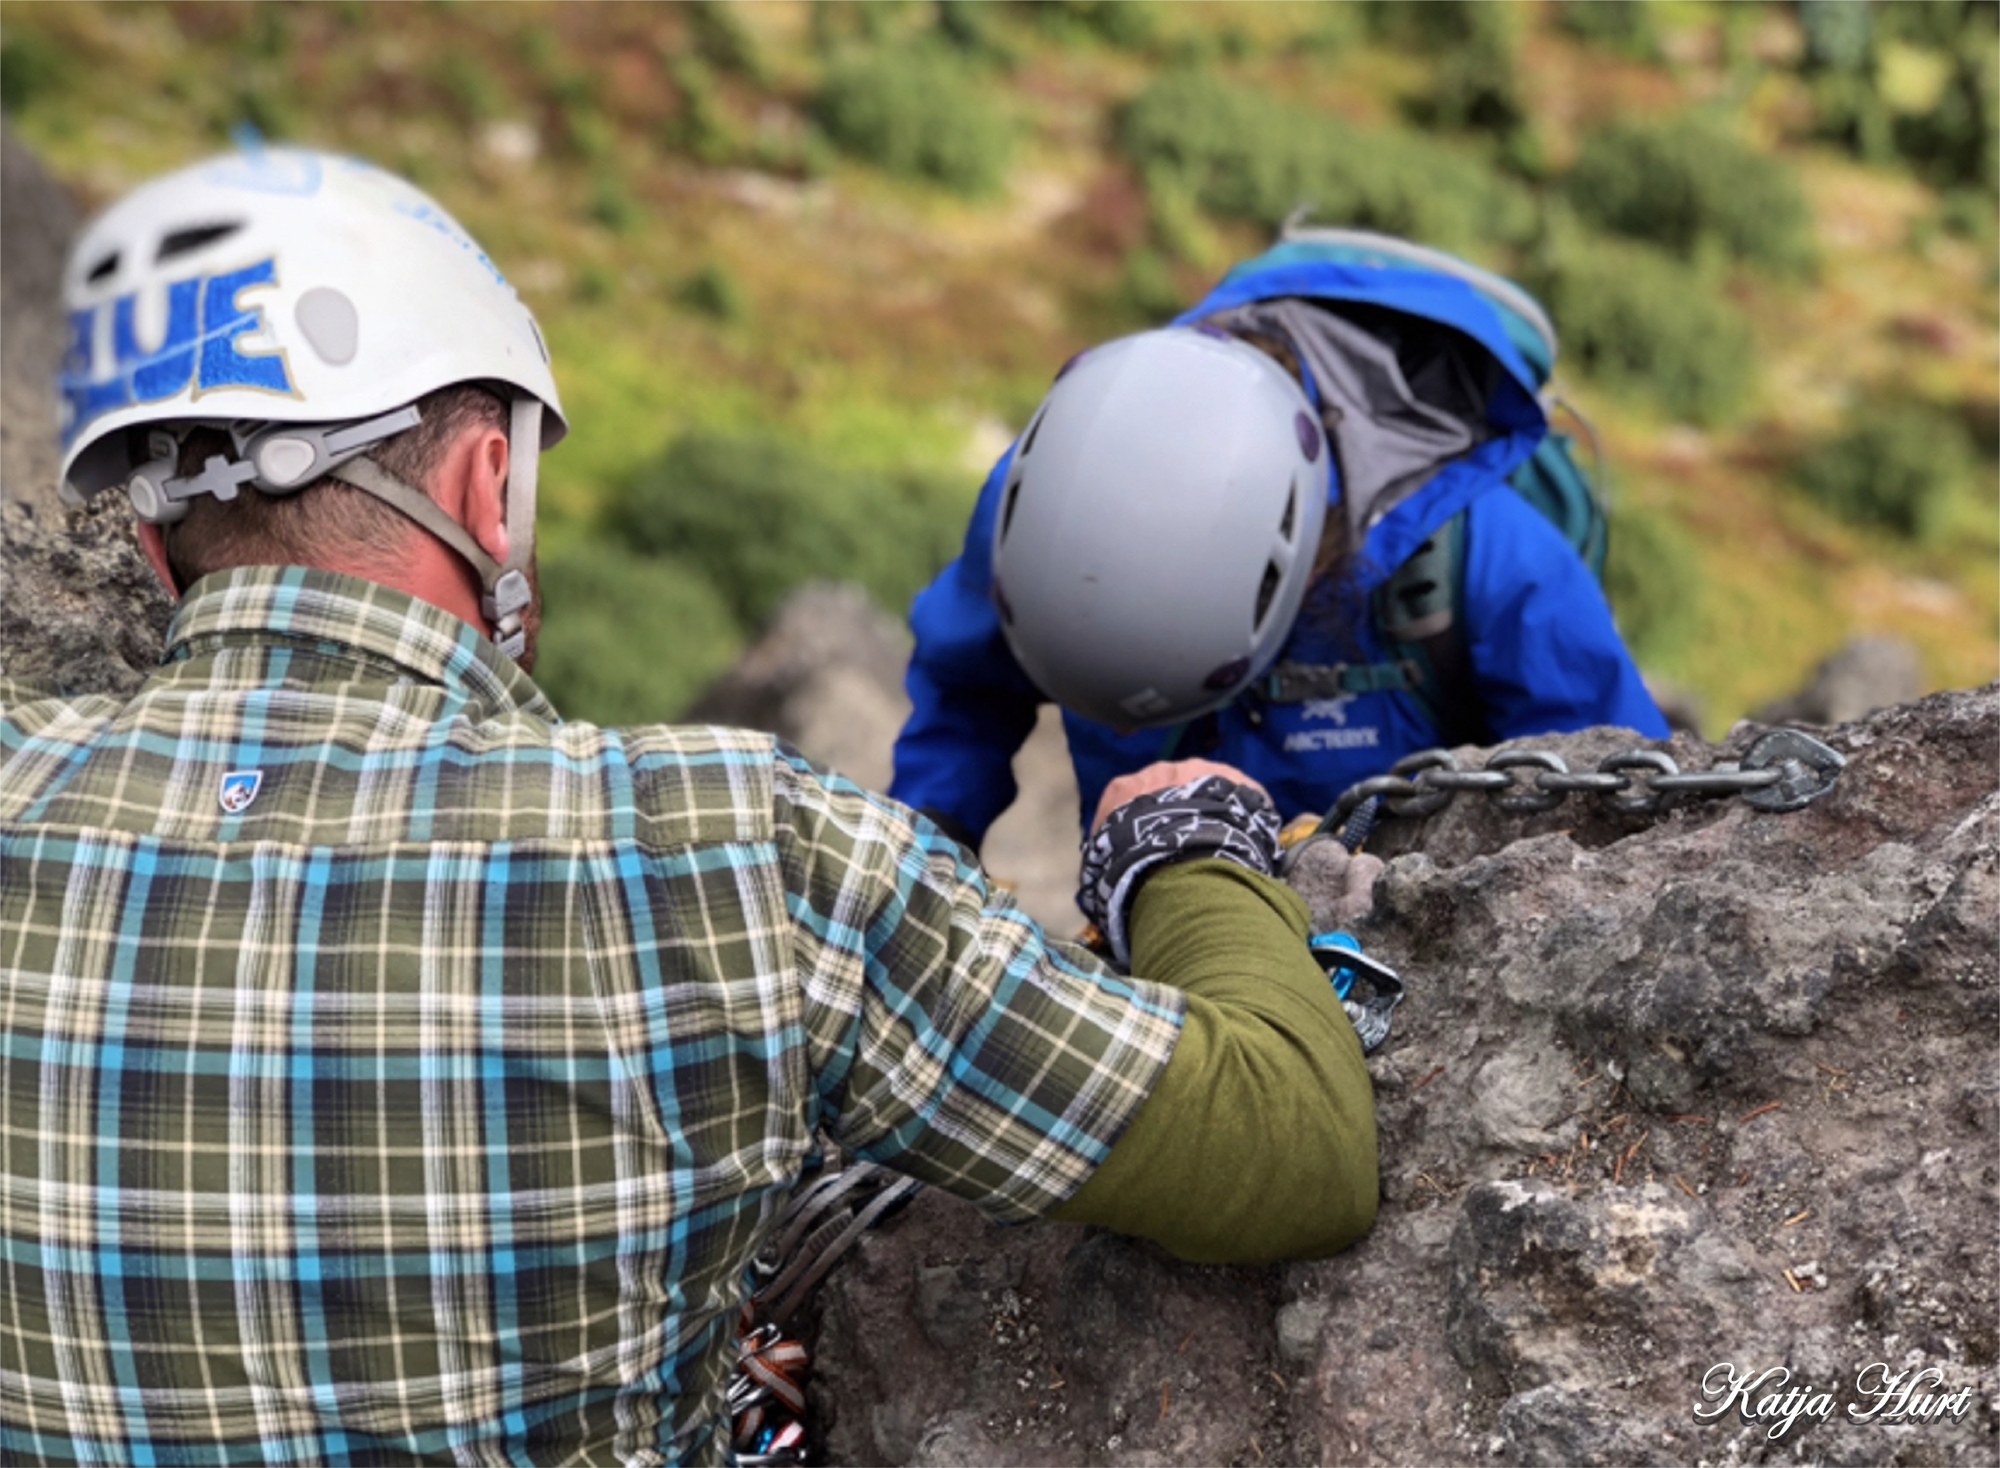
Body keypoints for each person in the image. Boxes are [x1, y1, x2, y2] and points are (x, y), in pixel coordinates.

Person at [0, 146, 1380, 1466]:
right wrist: (1180, 848)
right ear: (490, 487)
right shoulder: (735, 854)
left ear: (151, 544)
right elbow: (1289, 1143)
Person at [889, 239, 1671, 849]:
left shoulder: (1492, 563)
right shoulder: (1049, 497)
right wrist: (933, 839)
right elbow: (967, 688)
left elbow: (1612, 796)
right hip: (1166, 932)